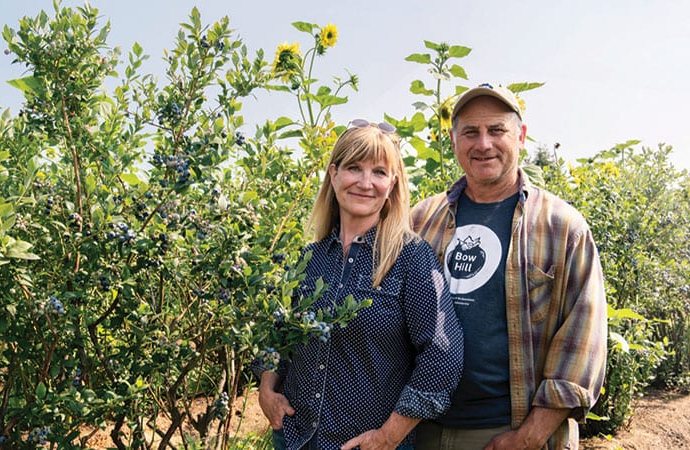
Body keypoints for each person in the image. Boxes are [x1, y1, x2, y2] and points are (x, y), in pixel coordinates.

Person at [411, 84, 608, 450]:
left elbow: (583, 341)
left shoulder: (561, 226)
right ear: (454, 141)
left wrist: (528, 437)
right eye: (470, 132)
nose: (483, 144)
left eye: (496, 130)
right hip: (420, 428)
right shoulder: (421, 220)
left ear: (520, 136)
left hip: (508, 431)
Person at [255, 119, 464, 450]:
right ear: (334, 174)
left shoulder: (410, 257)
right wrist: (266, 391)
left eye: (380, 172)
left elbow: (442, 357)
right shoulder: (309, 259)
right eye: (354, 168)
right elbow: (279, 336)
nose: (366, 183)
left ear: (393, 184)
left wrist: (389, 436)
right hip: (296, 440)